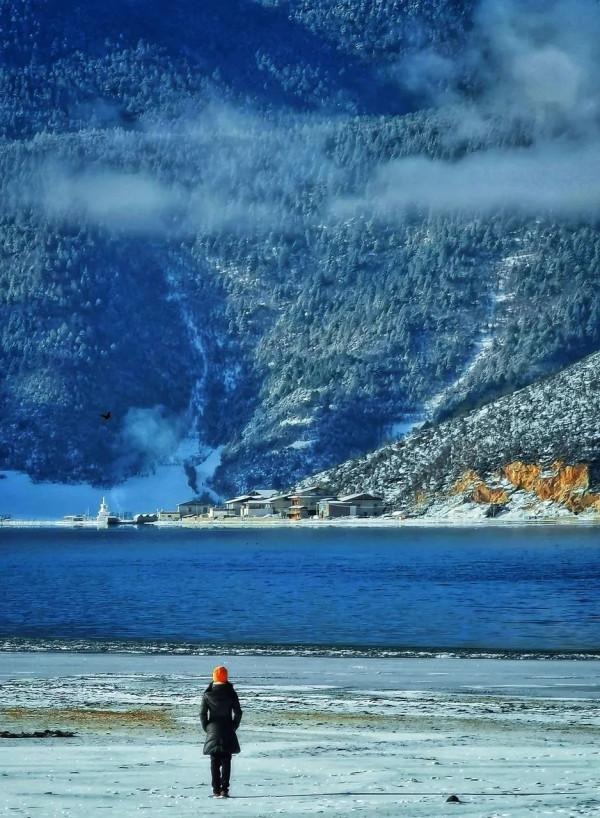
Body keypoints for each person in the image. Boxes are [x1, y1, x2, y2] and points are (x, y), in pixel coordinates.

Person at [200, 665, 243, 798]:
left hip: (212, 729)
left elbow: (202, 714)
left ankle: (215, 790)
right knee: (226, 760)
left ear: (214, 677)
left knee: (214, 760)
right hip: (227, 729)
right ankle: (224, 790)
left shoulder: (207, 694)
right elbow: (238, 713)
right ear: (226, 677)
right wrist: (234, 726)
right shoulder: (231, 693)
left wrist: (207, 727)